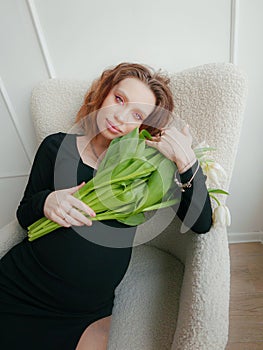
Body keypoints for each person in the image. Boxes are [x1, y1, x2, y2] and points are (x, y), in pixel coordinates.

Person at [0, 62, 212, 349]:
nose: (120, 116)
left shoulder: (146, 169)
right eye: (119, 99)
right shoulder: (56, 146)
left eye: (136, 114)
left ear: (144, 126)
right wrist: (47, 201)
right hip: (22, 284)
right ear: (103, 94)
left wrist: (186, 161)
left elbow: (200, 224)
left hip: (86, 312)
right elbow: (25, 214)